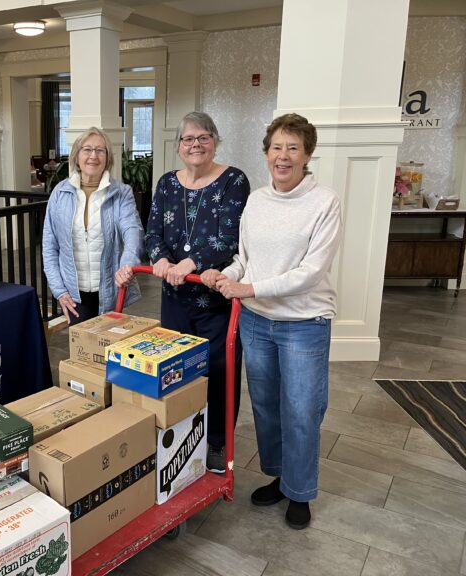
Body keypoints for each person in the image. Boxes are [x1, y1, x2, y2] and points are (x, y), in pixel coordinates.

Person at [201, 113, 343, 530]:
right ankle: (282, 478)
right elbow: (245, 259)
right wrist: (228, 276)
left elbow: (311, 272)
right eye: (277, 147)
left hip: (304, 323)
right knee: (266, 408)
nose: (283, 156)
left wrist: (250, 289)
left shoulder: (325, 202)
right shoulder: (258, 200)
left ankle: (300, 492)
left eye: (293, 148)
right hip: (257, 323)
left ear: (307, 154)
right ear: (267, 154)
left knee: (301, 410)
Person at [144, 111, 249, 473]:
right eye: (188, 139)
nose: (196, 145)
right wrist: (159, 258)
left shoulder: (233, 180)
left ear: (215, 141)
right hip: (174, 299)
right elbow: (153, 232)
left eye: (203, 137)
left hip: (214, 300)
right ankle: (181, 436)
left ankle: (218, 442)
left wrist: (191, 263)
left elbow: (231, 236)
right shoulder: (166, 183)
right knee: (176, 372)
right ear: (178, 146)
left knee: (219, 371)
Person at [42, 127, 143, 325]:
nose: (93, 156)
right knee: (82, 352)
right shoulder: (59, 193)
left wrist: (127, 266)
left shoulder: (122, 193)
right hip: (73, 295)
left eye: (100, 150)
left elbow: (133, 232)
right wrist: (59, 291)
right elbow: (49, 247)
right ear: (77, 156)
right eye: (87, 149)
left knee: (111, 351)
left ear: (107, 157)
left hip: (111, 290)